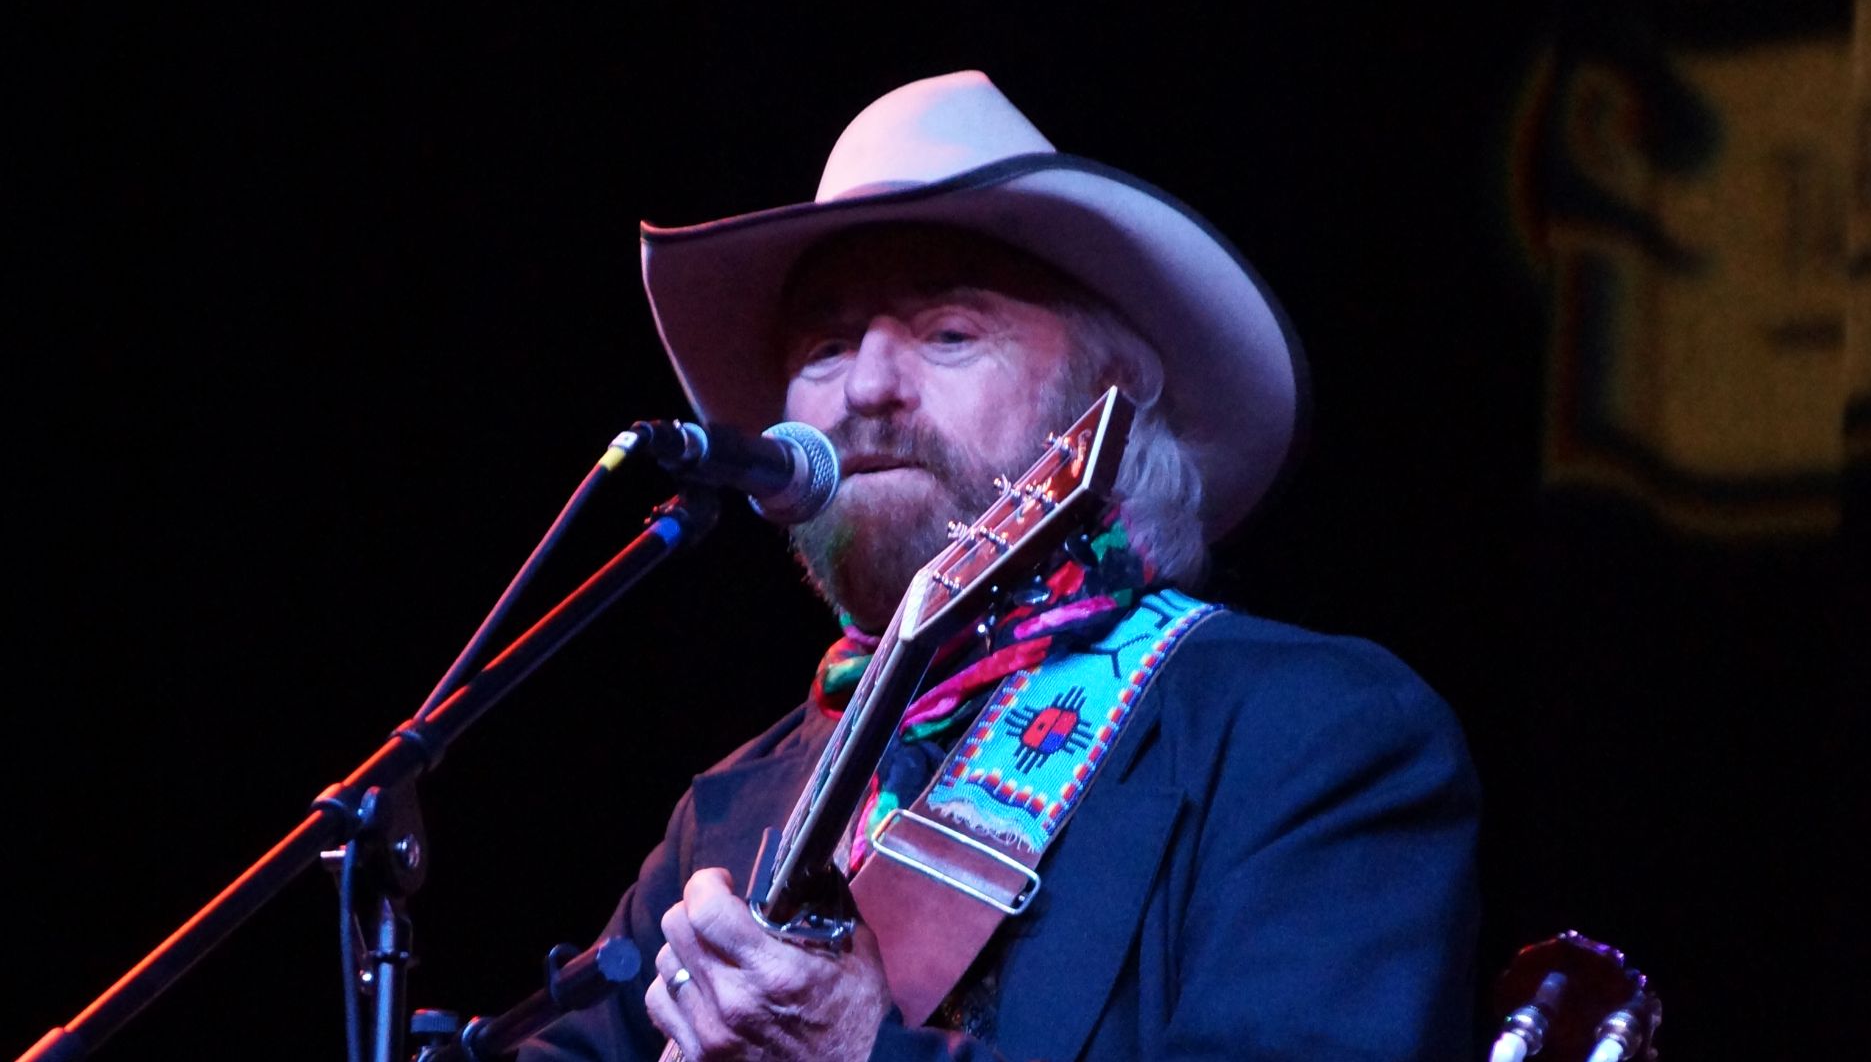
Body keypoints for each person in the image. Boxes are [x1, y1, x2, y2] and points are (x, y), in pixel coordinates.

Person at [521, 71, 1478, 1061]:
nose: (868, 386)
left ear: (1100, 405)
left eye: (948, 333)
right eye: (825, 343)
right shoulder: (732, 806)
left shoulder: (1308, 732)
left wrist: (861, 1050)